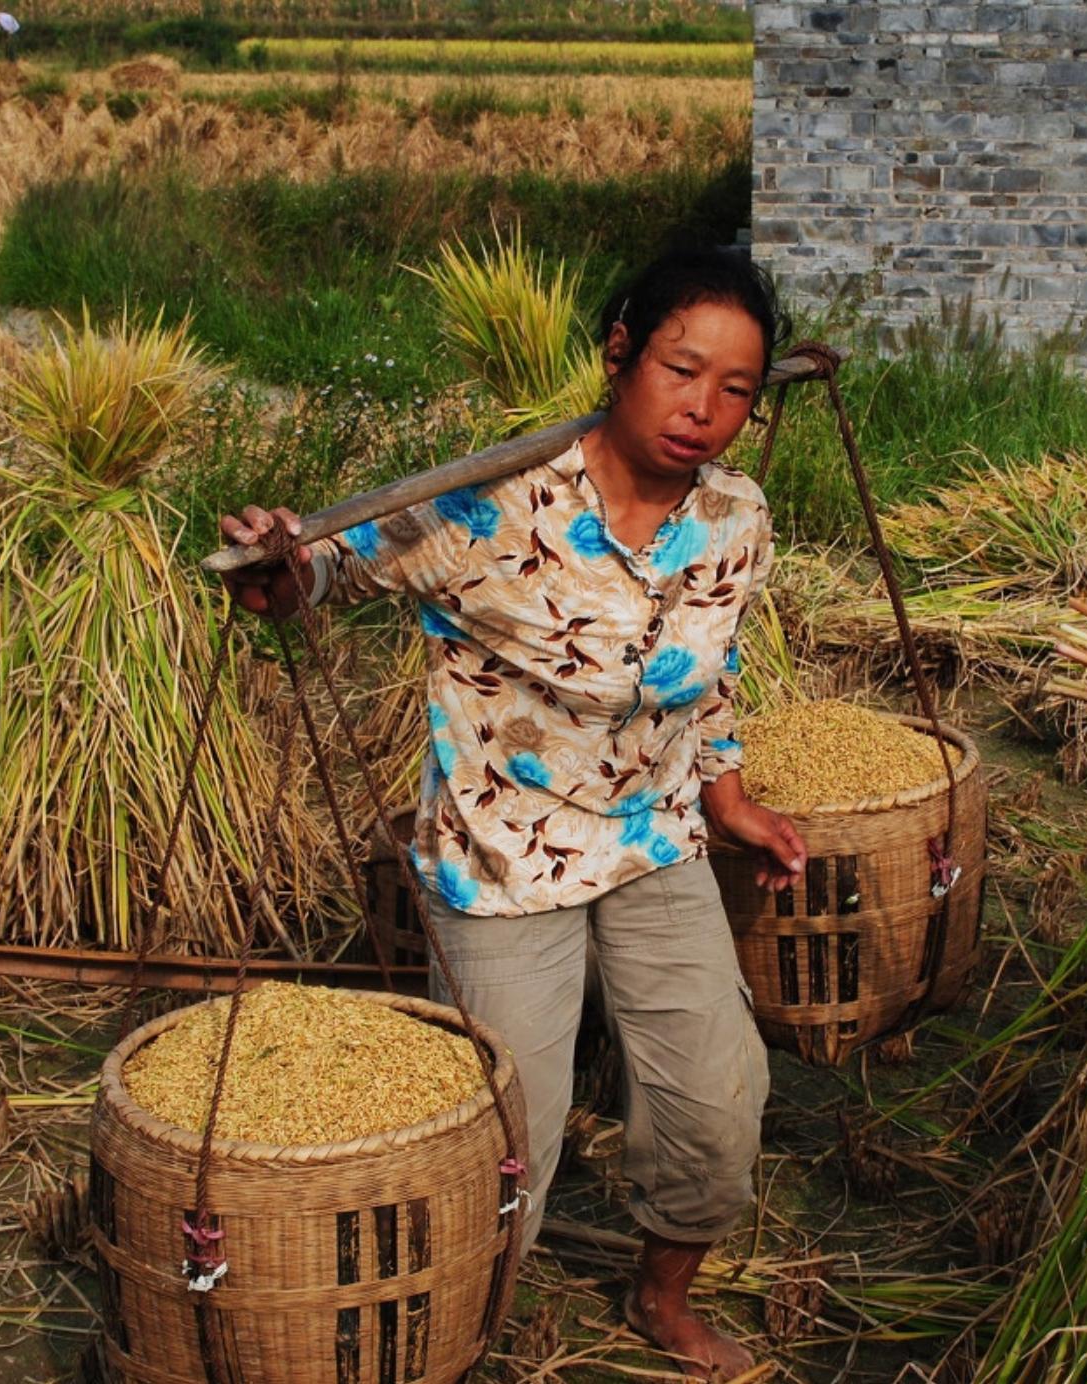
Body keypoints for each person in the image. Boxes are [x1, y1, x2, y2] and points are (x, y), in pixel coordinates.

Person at [221, 246, 805, 1378]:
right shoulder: (493, 506)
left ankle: (657, 1299)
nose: (704, 410)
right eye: (681, 370)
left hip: (651, 838)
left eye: (735, 388)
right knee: (503, 1148)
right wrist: (279, 566)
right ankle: (451, 1333)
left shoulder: (734, 515)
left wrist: (727, 796)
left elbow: (712, 671)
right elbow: (329, 567)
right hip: (503, 860)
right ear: (619, 354)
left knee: (717, 1104)